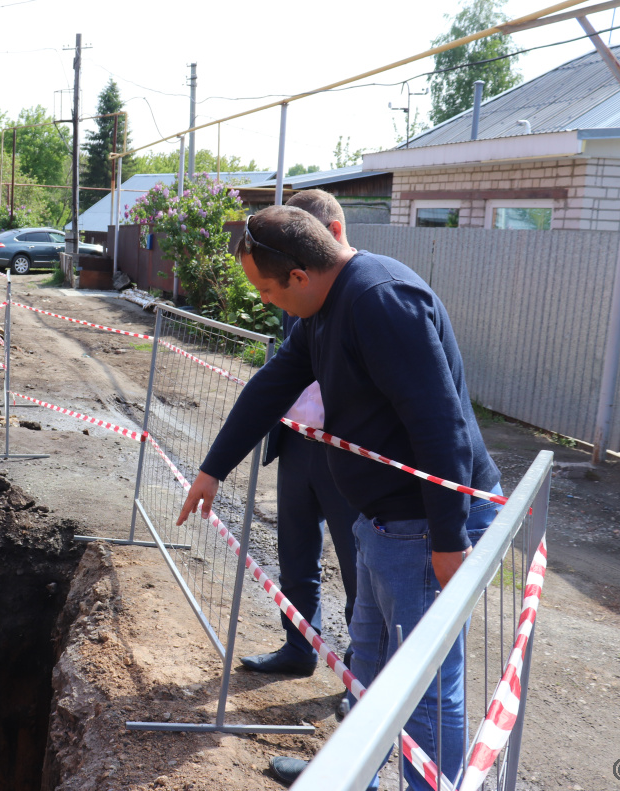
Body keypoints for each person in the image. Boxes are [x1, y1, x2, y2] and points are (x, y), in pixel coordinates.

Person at [177, 205, 502, 789]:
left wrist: (451, 539)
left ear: (299, 275)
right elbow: (273, 383)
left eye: (267, 289)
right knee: (371, 670)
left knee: (423, 687)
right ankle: (355, 778)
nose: (266, 302)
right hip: (382, 522)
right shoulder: (327, 307)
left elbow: (441, 425)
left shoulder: (380, 301)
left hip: (425, 526)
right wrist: (213, 468)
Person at [241, 190, 359, 686]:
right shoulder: (296, 291)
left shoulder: (364, 297)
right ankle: (298, 647)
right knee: (294, 554)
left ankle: (362, 678)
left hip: (347, 454)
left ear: (328, 235)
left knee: (361, 572)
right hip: (296, 442)